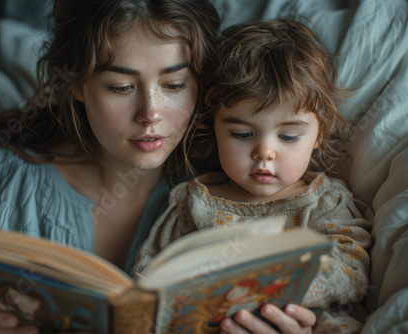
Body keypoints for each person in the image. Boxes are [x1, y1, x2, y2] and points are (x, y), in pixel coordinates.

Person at [0, 2, 317, 332]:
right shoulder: (11, 185)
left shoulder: (236, 186)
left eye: (175, 85)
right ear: (77, 83)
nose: (150, 114)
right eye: (120, 87)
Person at [132, 18, 371, 333]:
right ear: (213, 127)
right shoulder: (193, 203)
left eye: (287, 137)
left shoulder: (323, 203)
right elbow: (148, 273)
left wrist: (279, 287)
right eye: (243, 134)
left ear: (319, 136)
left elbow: (352, 268)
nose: (264, 152)